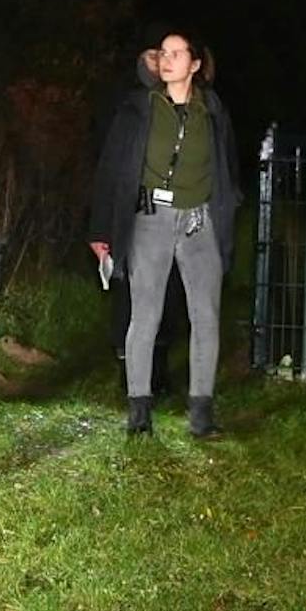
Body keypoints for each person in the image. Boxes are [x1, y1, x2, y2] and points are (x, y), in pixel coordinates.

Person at [88, 29, 240, 438]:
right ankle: (139, 413)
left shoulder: (212, 110)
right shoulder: (138, 108)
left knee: (205, 316)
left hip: (199, 222)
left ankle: (202, 412)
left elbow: (226, 169)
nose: (166, 60)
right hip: (149, 219)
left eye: (176, 54)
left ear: (194, 64)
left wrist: (225, 214)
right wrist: (101, 228)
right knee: (145, 313)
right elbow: (111, 167)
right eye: (162, 53)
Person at [90, 32, 188, 398]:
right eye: (151, 56)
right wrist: (100, 229)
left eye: (164, 55)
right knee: (129, 298)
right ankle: (129, 375)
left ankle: (159, 372)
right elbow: (109, 169)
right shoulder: (127, 109)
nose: (158, 63)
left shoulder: (191, 108)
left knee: (168, 295)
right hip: (130, 222)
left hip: (175, 220)